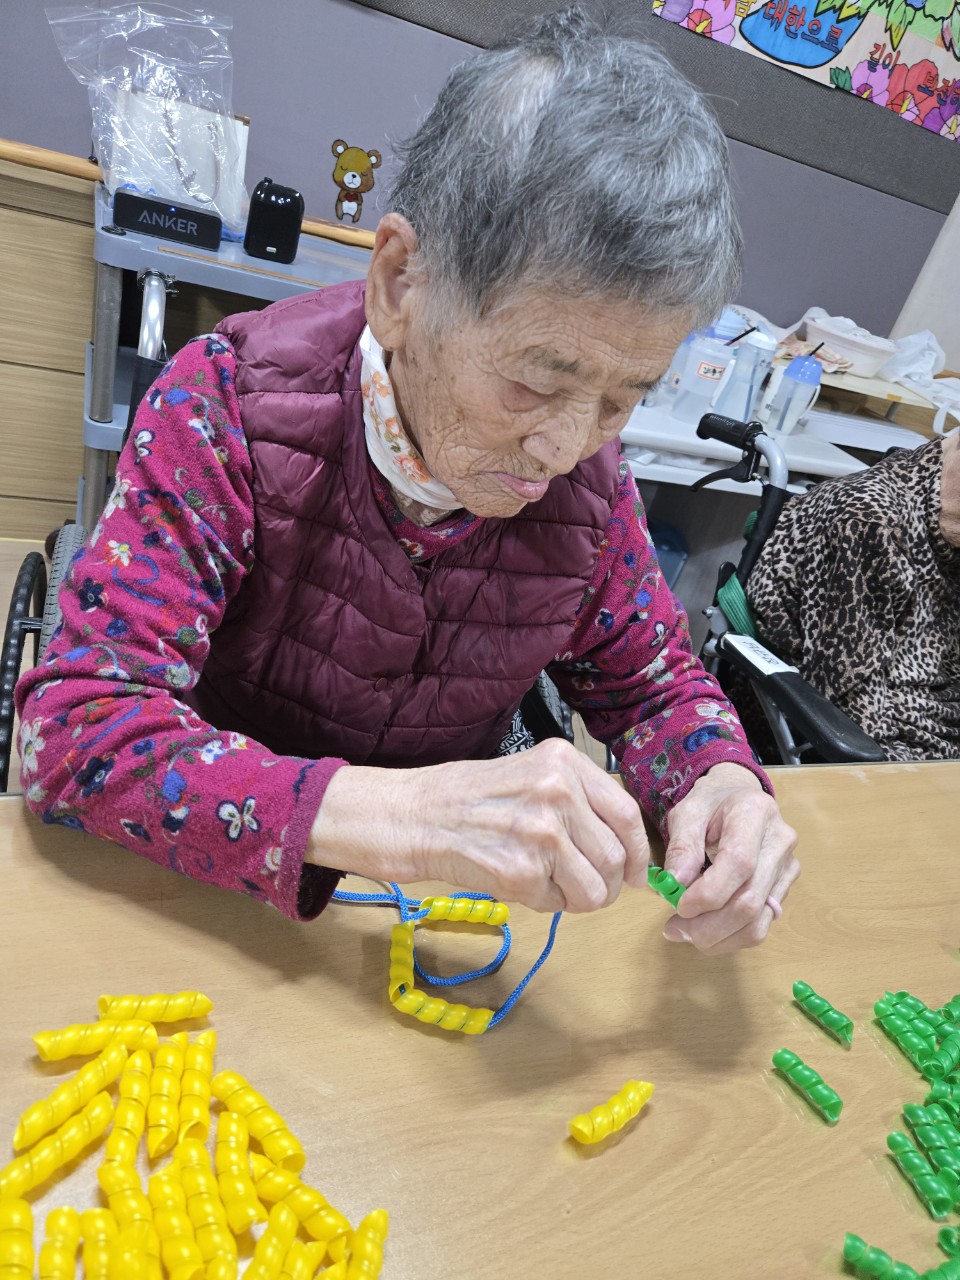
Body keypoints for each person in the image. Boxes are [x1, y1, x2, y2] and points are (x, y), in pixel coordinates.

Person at [16, 8, 798, 955]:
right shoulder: (224, 407)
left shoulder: (592, 492)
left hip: (423, 922)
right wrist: (405, 815)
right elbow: (77, 732)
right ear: (399, 284)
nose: (564, 448)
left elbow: (657, 688)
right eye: (536, 380)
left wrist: (722, 782)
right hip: (201, 900)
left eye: (623, 397)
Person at [745, 430, 960, 761]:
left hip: (938, 718)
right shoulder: (870, 521)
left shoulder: (944, 514)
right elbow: (855, 717)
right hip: (870, 737)